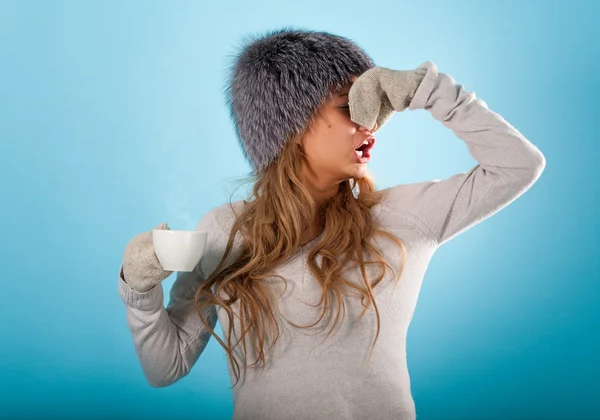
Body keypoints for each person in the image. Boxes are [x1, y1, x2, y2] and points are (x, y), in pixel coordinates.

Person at [118, 27, 546, 420]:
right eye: (350, 106)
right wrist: (138, 288)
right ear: (293, 125)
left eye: (375, 105)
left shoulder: (404, 218)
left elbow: (518, 165)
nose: (372, 124)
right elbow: (166, 365)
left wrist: (426, 90)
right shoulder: (224, 232)